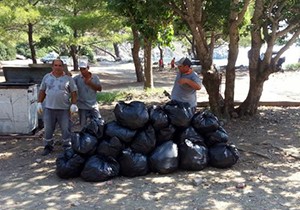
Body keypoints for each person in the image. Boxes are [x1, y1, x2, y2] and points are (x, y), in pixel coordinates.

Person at [37, 59, 78, 156]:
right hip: (49, 108)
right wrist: (39, 102)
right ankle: (48, 146)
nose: (58, 67)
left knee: (65, 128)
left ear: (63, 67)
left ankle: (67, 146)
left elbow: (74, 92)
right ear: (52, 66)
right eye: (56, 65)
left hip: (63, 109)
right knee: (48, 128)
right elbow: (42, 90)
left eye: (60, 65)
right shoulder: (47, 77)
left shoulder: (68, 78)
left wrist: (73, 104)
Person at [73, 61, 102, 129]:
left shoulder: (95, 78)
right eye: (81, 69)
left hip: (93, 105)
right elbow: (70, 86)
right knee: (83, 126)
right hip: (82, 105)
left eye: (84, 69)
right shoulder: (77, 78)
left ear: (88, 68)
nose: (82, 71)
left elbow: (99, 88)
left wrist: (90, 84)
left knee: (99, 123)